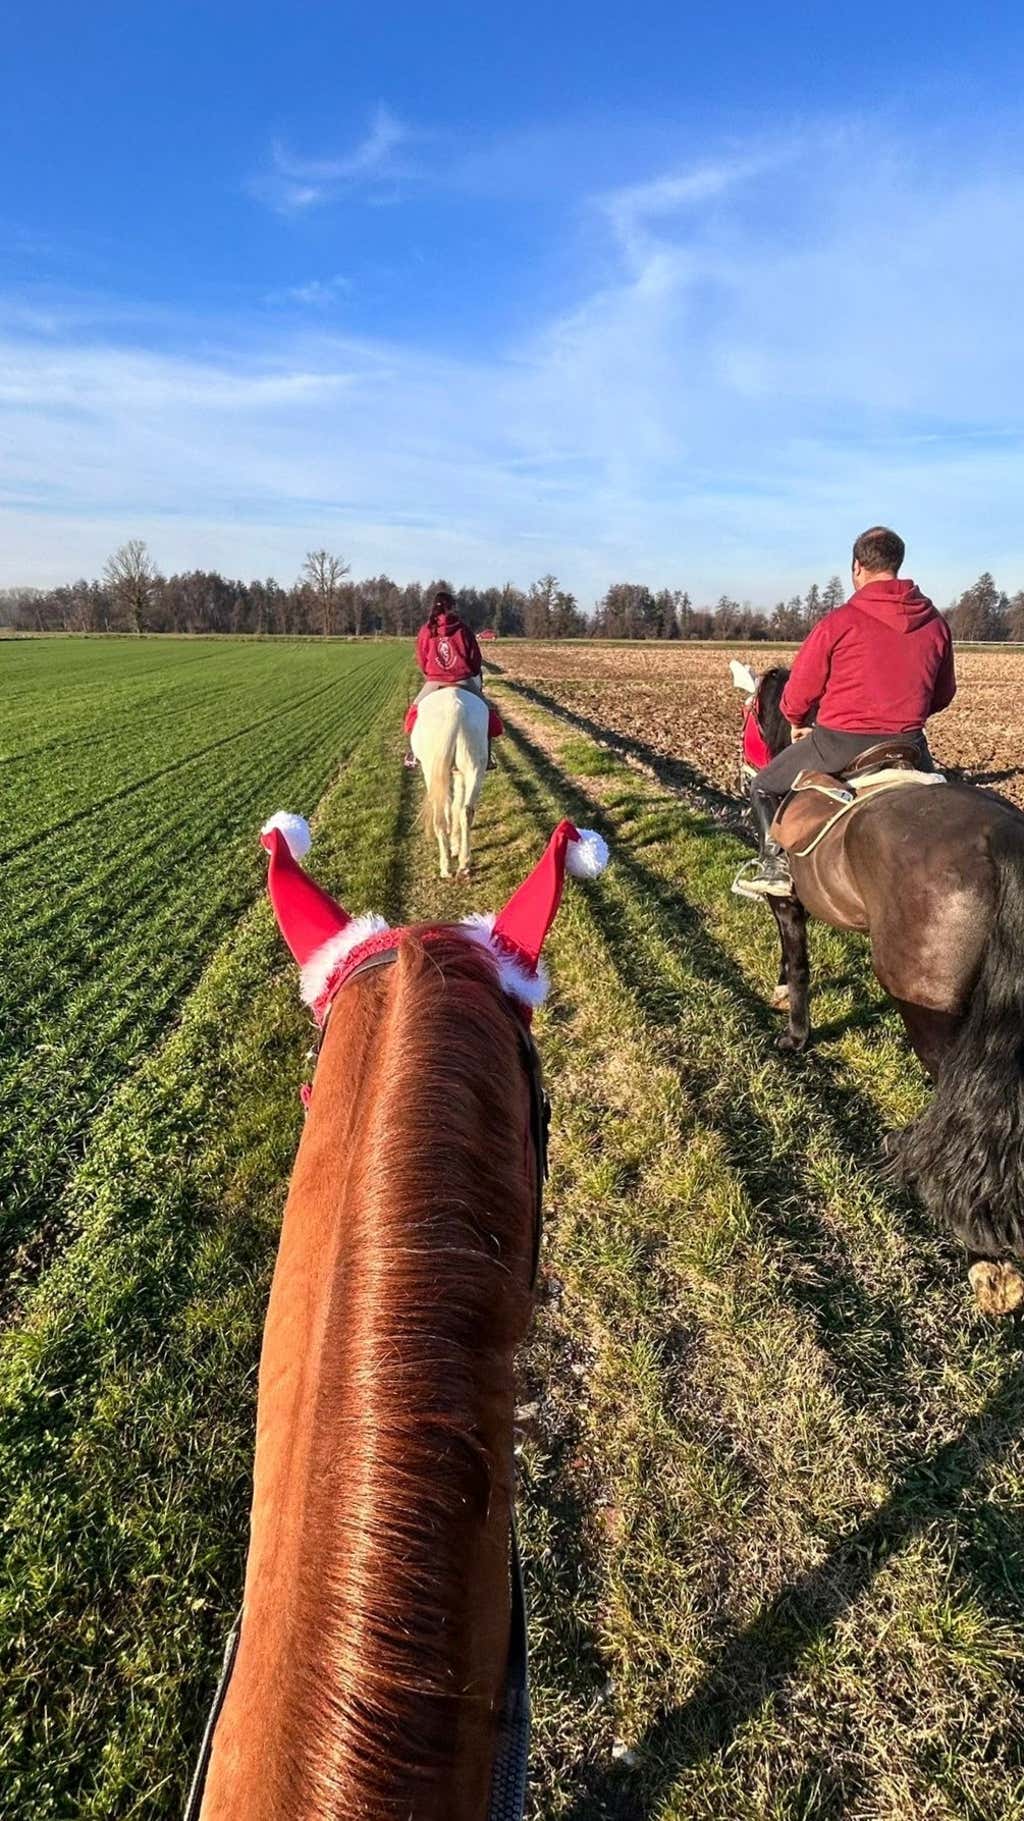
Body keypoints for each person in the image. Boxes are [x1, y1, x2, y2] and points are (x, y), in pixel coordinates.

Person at [744, 527, 957, 896]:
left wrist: (796, 721)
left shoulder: (839, 622)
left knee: (763, 784)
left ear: (857, 566)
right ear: (897, 563)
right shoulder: (936, 624)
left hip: (839, 744)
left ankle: (773, 866)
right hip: (909, 747)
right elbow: (943, 694)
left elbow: (797, 695)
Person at [404, 591, 500, 767]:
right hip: (463, 679)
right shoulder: (463, 629)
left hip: (435, 681)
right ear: (453, 607)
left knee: (414, 713)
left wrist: (430, 674)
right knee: (488, 711)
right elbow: (475, 658)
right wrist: (471, 672)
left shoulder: (426, 630)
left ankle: (413, 754)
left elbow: (422, 658)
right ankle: (487, 756)